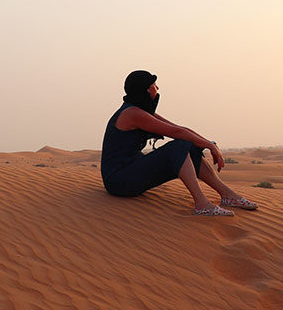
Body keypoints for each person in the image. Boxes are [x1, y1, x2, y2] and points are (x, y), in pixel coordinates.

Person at [101, 70, 258, 216]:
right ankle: (202, 204)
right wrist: (210, 146)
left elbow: (179, 128)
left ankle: (228, 195)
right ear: (147, 90)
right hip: (118, 180)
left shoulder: (140, 112)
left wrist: (208, 143)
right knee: (179, 146)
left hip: (130, 171)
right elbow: (176, 133)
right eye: (154, 85)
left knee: (188, 144)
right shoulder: (132, 114)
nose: (157, 88)